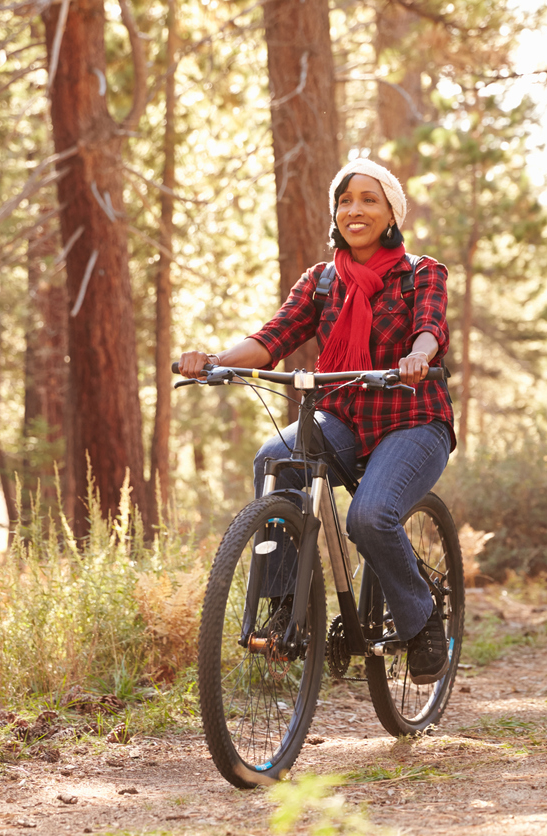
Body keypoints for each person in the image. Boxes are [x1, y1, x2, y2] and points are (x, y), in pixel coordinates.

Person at [179, 158, 456, 684]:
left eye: (369, 199)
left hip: (413, 419)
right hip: (344, 417)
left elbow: (430, 328)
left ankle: (421, 620)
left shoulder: (423, 272)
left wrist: (419, 356)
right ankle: (286, 607)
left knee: (370, 518)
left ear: (391, 213)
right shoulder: (321, 282)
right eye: (346, 199)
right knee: (274, 459)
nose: (355, 209)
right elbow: (270, 339)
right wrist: (215, 361)